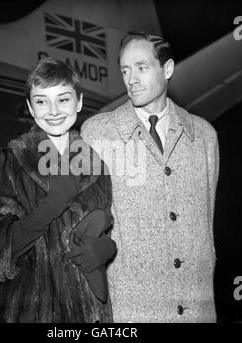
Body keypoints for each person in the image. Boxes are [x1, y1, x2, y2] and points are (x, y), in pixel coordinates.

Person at [0, 58, 116, 323]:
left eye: (63, 99)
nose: (53, 110)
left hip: (91, 315)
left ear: (79, 102)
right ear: (30, 107)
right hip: (28, 312)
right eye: (41, 101)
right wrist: (52, 205)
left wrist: (107, 247)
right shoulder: (5, 164)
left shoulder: (97, 168)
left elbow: (105, 228)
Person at [81, 31, 219, 322]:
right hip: (131, 312)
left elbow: (205, 223)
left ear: (167, 69)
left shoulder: (204, 136)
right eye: (125, 70)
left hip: (198, 310)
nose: (131, 79)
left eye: (141, 68)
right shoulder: (97, 133)